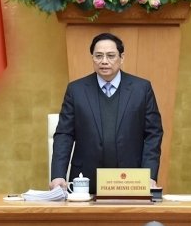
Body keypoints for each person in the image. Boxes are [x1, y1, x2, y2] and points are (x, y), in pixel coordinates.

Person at [49, 32, 163, 195]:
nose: (104, 61)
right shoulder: (76, 90)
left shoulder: (141, 89)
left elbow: (153, 134)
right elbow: (64, 134)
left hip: (130, 180)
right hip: (85, 181)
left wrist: (150, 175)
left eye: (110, 56)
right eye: (98, 56)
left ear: (121, 58)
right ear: (92, 58)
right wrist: (58, 175)